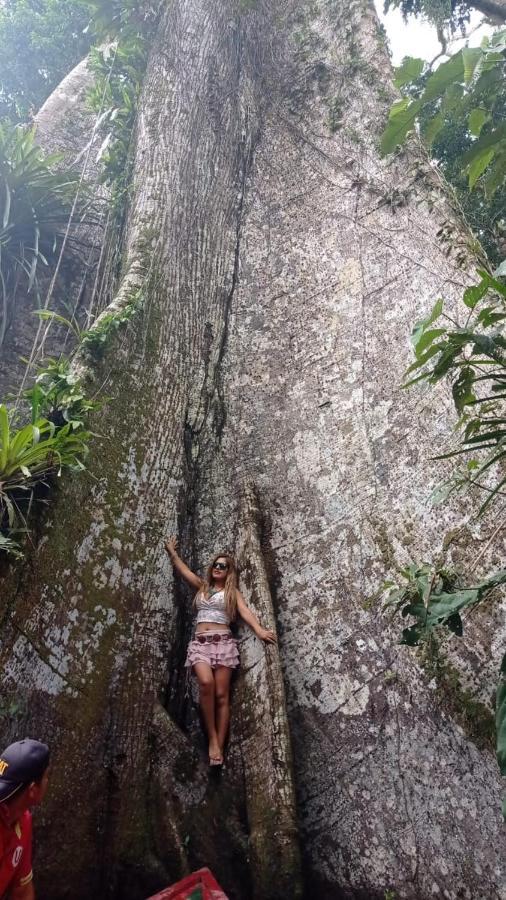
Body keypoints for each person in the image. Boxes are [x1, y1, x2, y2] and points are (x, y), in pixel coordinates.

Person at [165, 537, 277, 766]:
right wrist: (173, 554)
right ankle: (213, 739)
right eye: (215, 565)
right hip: (200, 644)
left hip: (224, 643)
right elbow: (185, 572)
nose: (217, 568)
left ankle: (218, 745)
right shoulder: (202, 587)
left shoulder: (232, 592)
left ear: (229, 572)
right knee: (206, 684)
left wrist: (260, 631)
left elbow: (245, 612)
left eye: (222, 566)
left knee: (221, 695)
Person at [0, 739, 50, 900]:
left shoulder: (23, 820)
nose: (47, 782)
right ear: (33, 790)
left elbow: (22, 891)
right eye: (46, 777)